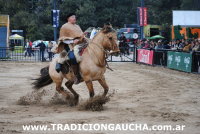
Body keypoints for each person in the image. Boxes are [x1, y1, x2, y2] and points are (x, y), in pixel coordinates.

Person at [56, 13, 87, 84]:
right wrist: (72, 41)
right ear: (68, 18)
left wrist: (83, 35)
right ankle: (76, 76)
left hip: (80, 44)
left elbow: (80, 35)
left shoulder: (77, 26)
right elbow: (62, 39)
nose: (74, 18)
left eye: (75, 17)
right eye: (73, 17)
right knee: (73, 57)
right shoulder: (64, 26)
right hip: (69, 46)